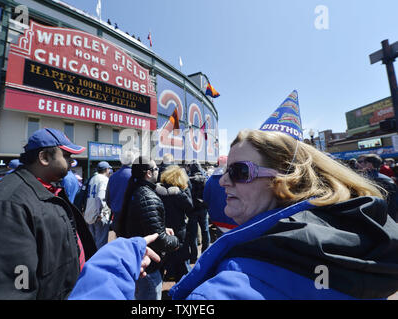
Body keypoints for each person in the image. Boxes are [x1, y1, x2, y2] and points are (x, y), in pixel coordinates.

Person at [68, 90, 398, 300]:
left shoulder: (243, 281)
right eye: (225, 171)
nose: (223, 181)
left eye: (238, 172)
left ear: (287, 180)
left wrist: (113, 264)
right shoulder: (353, 250)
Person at [0, 128, 97, 299]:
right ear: (44, 158)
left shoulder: (43, 189)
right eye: (66, 155)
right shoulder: (5, 206)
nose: (71, 161)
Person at [114, 156, 179, 300]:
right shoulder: (147, 196)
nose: (158, 172)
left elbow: (146, 226)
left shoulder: (136, 190)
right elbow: (158, 239)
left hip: (140, 261)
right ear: (148, 173)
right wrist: (175, 241)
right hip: (148, 267)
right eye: (156, 169)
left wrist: (162, 228)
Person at [155, 165, 193, 283]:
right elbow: (189, 207)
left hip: (163, 229)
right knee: (181, 262)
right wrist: (181, 193)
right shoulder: (178, 192)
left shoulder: (158, 190)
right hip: (178, 230)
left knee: (162, 261)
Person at [203, 155, 237, 241]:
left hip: (218, 220)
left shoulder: (210, 180)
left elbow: (206, 199)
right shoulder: (236, 179)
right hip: (235, 220)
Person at [357, 153, 398, 222]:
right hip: (390, 216)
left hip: (376, 217)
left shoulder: (366, 179)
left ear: (370, 164)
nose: (359, 164)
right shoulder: (387, 178)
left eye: (362, 162)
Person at [84, 161, 112, 251]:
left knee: (92, 241)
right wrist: (101, 213)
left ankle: (91, 260)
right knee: (101, 243)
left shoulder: (93, 178)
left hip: (90, 213)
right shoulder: (104, 179)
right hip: (98, 215)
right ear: (107, 169)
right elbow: (100, 197)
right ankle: (98, 263)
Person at [186, 161, 210, 262]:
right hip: (203, 208)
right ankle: (205, 253)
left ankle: (194, 256)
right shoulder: (206, 179)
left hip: (192, 209)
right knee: (205, 231)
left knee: (193, 233)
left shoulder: (188, 180)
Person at [106, 149, 136, 230]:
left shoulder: (112, 177)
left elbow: (108, 199)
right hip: (132, 216)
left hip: (117, 216)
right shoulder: (135, 176)